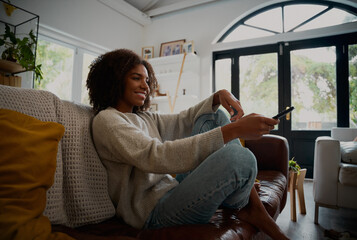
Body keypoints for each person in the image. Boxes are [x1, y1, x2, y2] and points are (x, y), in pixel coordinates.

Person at [86, 49, 289, 240]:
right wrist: (234, 130)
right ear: (114, 80)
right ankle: (251, 207)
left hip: (173, 191)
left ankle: (253, 208)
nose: (145, 86)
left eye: (147, 80)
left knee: (214, 114)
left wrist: (218, 96)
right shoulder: (107, 120)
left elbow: (185, 119)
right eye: (136, 78)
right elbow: (156, 156)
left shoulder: (144, 117)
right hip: (152, 214)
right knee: (241, 159)